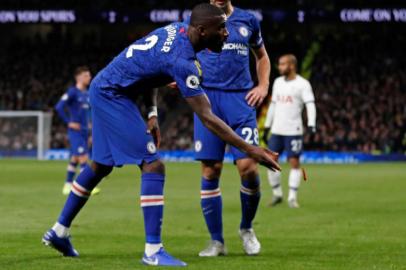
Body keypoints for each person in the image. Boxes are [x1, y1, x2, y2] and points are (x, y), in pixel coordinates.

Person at [42, 3, 280, 267]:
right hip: (113, 95)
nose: (226, 33)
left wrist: (152, 113)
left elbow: (149, 69)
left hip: (107, 88)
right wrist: (252, 149)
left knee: (100, 166)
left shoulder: (176, 31)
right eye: (221, 28)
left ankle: (59, 231)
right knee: (153, 164)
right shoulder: (183, 61)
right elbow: (208, 117)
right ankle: (153, 250)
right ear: (202, 30)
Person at [185, 0, 271, 256]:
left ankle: (246, 228)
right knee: (211, 170)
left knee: (248, 167)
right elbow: (184, 51)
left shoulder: (248, 20)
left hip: (241, 100)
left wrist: (263, 86)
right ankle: (216, 241)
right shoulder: (198, 18)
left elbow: (263, 57)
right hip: (207, 100)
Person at [263, 54, 316, 208]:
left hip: (294, 130)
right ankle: (277, 194)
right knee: (269, 161)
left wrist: (311, 123)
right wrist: (267, 125)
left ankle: (292, 197)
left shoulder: (303, 84)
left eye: (283, 64)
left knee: (294, 162)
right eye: (279, 64)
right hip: (277, 129)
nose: (279, 67)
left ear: (292, 66)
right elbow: (273, 105)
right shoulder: (278, 82)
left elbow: (310, 104)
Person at [55, 66, 100, 196]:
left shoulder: (86, 93)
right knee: (83, 157)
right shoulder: (72, 92)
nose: (89, 78)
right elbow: (59, 107)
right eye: (87, 75)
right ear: (79, 77)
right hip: (75, 131)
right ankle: (85, 187)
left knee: (75, 158)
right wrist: (69, 122)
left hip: (84, 131)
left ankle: (67, 185)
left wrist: (90, 127)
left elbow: (88, 112)